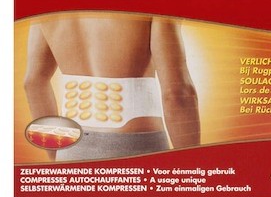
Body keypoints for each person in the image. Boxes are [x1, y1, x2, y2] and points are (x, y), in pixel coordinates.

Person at [24, 16, 200, 161]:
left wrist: (57, 156)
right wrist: (194, 170)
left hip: (71, 150)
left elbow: (33, 83)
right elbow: (178, 94)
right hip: (137, 147)